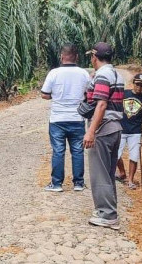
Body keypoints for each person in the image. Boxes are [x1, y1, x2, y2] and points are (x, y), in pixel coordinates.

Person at [84, 42, 125, 230]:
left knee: (99, 173)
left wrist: (91, 131)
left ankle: (107, 215)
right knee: (108, 173)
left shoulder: (102, 75)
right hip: (115, 127)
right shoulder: (116, 74)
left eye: (91, 57)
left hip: (103, 128)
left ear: (95, 57)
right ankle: (107, 210)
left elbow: (101, 105)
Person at [41, 44, 90, 192]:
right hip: (77, 119)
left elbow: (44, 94)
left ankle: (56, 184)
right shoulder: (84, 74)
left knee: (58, 151)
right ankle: (79, 183)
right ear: (76, 57)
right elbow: (89, 94)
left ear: (62, 56)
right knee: (77, 151)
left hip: (57, 119)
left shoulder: (53, 73)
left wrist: (55, 96)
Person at [116, 73, 142, 190]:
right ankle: (122, 172)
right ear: (133, 83)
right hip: (121, 129)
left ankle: (130, 180)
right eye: (137, 84)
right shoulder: (124, 94)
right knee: (116, 155)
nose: (139, 87)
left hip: (135, 132)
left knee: (134, 157)